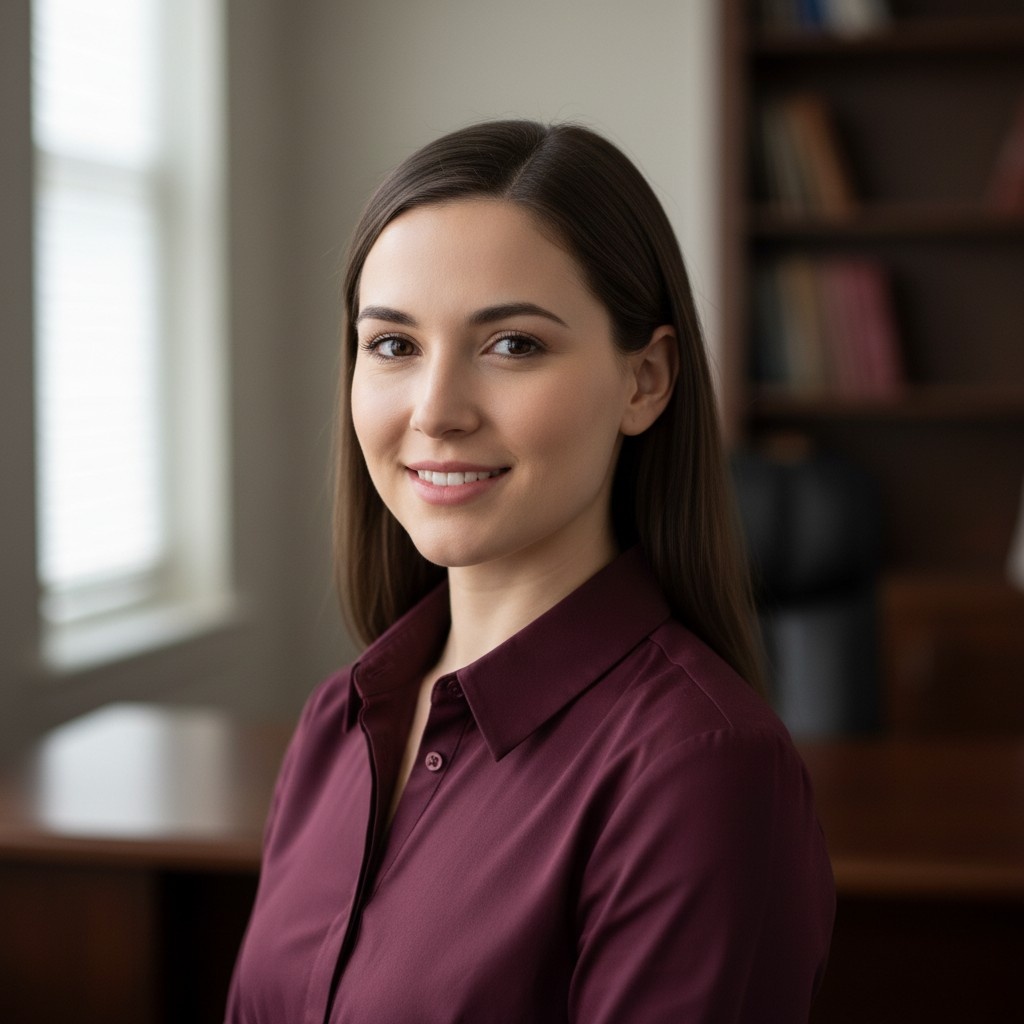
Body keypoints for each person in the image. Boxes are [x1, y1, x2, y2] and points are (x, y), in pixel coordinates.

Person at [226, 119, 835, 1023]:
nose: (435, 413)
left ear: (646, 381)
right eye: (394, 345)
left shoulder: (701, 770)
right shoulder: (335, 724)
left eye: (512, 344)